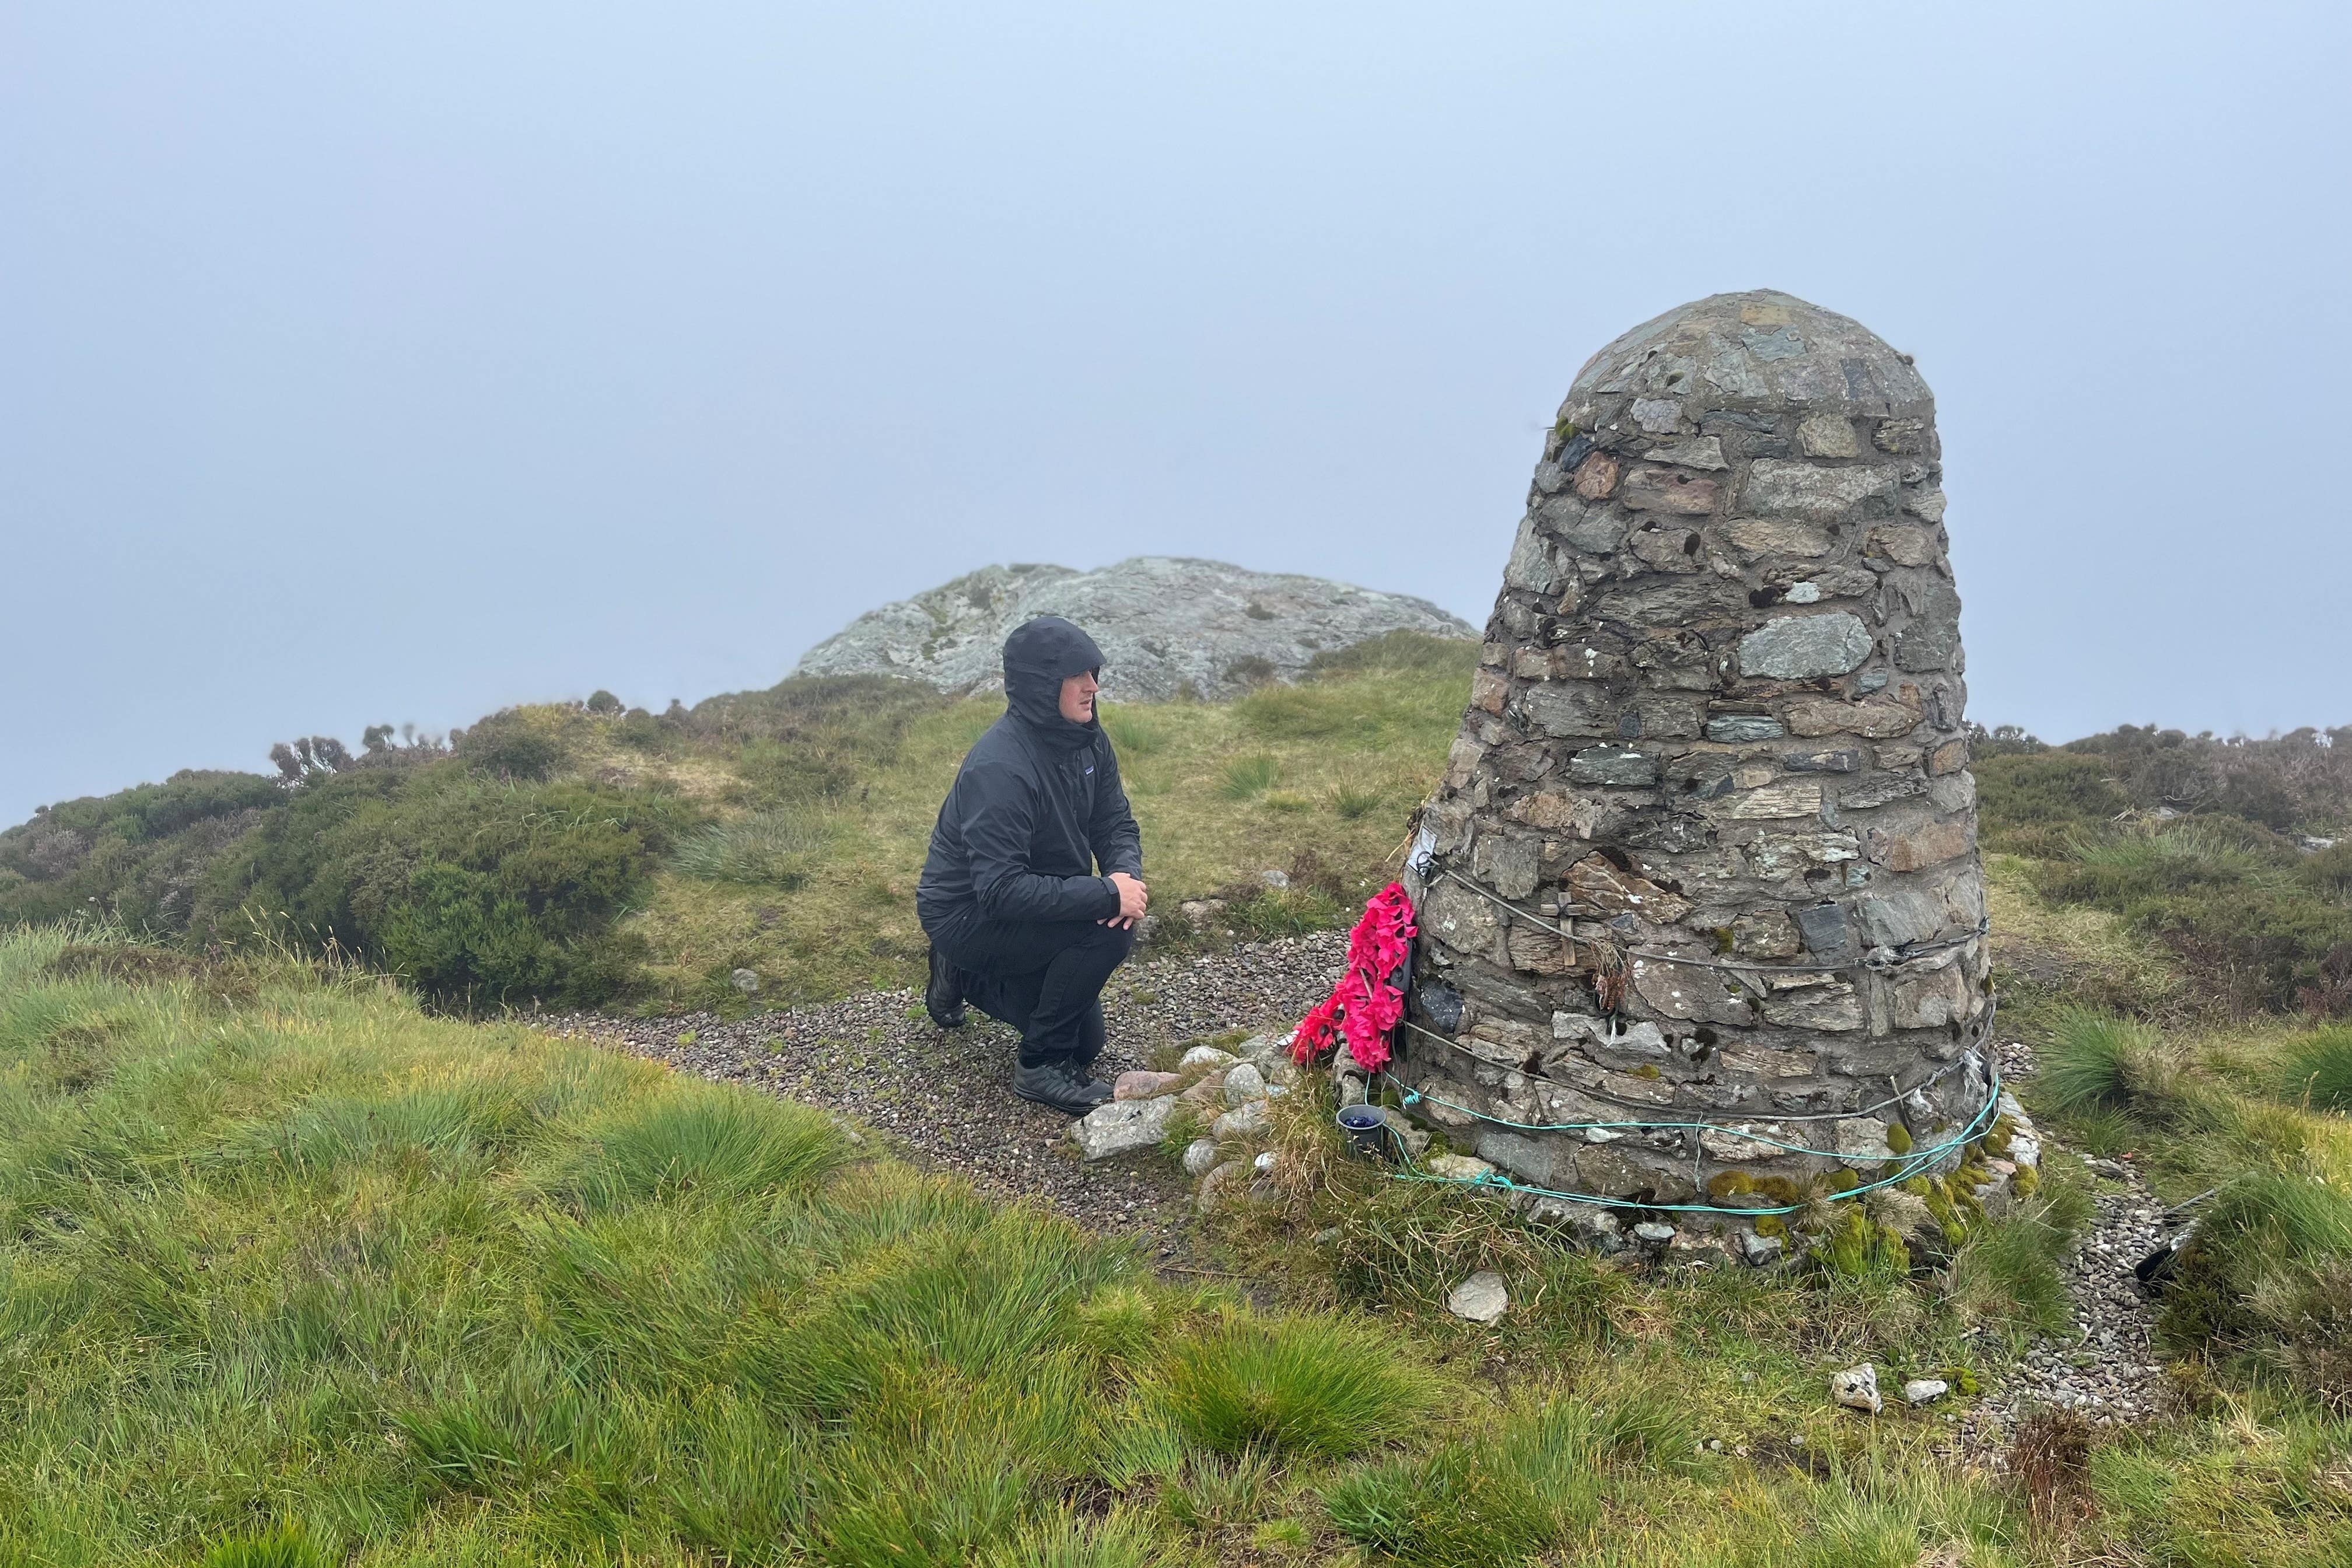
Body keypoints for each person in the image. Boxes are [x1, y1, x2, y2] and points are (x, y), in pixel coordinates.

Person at [916, 615, 1148, 1114]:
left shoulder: (1087, 739)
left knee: (1086, 1045)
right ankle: (1040, 1066)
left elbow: (1115, 823)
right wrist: (1106, 895)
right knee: (1106, 930)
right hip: (967, 915)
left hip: (1030, 899)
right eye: (1077, 676)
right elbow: (998, 890)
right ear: (1042, 686)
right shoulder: (1001, 766)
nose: (1092, 686)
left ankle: (959, 976)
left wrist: (1123, 875)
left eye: (1094, 672)